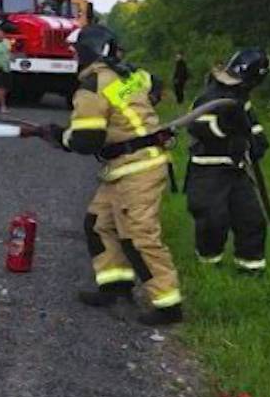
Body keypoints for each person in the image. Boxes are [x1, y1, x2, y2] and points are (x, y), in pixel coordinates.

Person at [34, 23, 184, 326]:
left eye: (76, 52)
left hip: (137, 168)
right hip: (127, 164)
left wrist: (59, 136)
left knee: (138, 235)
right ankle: (115, 285)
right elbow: (155, 84)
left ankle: (168, 303)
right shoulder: (132, 74)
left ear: (87, 51)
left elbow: (85, 140)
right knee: (98, 222)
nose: (74, 57)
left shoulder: (92, 86)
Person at [185, 48, 270, 276]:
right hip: (208, 169)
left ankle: (251, 269)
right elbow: (198, 126)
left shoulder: (241, 97)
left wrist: (258, 140)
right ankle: (208, 266)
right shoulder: (211, 96)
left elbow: (251, 123)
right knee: (213, 220)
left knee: (251, 219)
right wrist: (228, 132)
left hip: (236, 170)